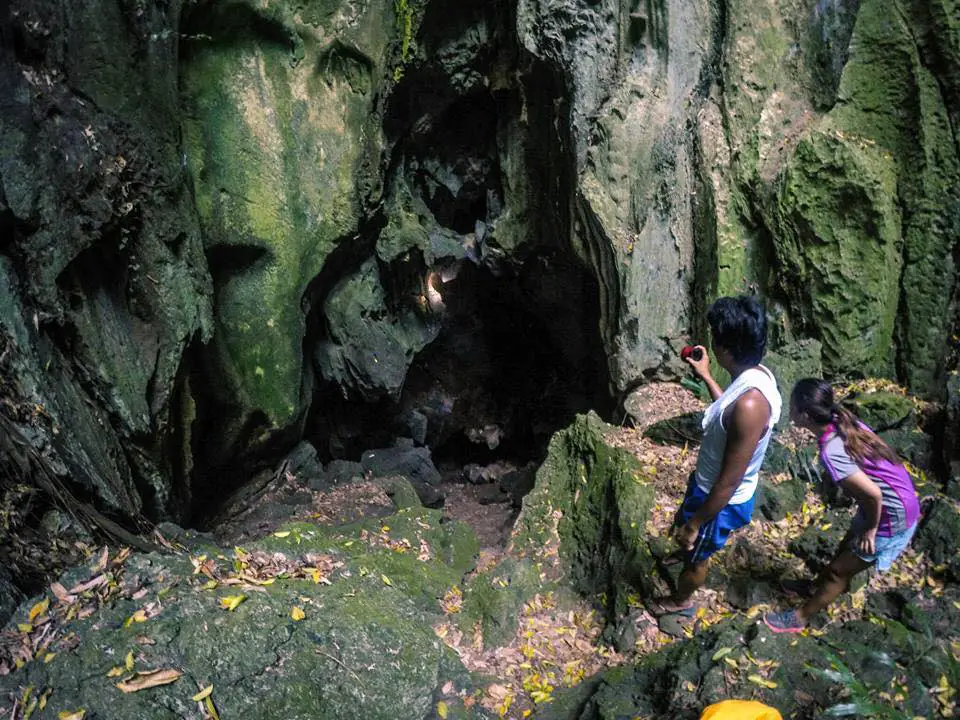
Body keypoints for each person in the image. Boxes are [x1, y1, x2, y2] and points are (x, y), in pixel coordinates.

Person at [647, 296, 782, 616]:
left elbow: (730, 481)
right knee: (688, 534)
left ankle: (681, 602)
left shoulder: (751, 405)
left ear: (725, 349)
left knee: (698, 554)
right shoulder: (754, 375)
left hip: (718, 501)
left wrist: (696, 523)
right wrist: (706, 375)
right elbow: (729, 414)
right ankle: (688, 549)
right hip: (707, 487)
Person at [764, 379, 920, 633]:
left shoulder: (832, 450)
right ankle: (815, 587)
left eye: (792, 406)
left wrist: (871, 529)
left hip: (891, 515)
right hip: (895, 500)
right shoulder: (842, 422)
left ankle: (800, 617)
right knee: (846, 546)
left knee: (839, 572)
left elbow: (873, 495)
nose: (789, 410)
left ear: (803, 415)